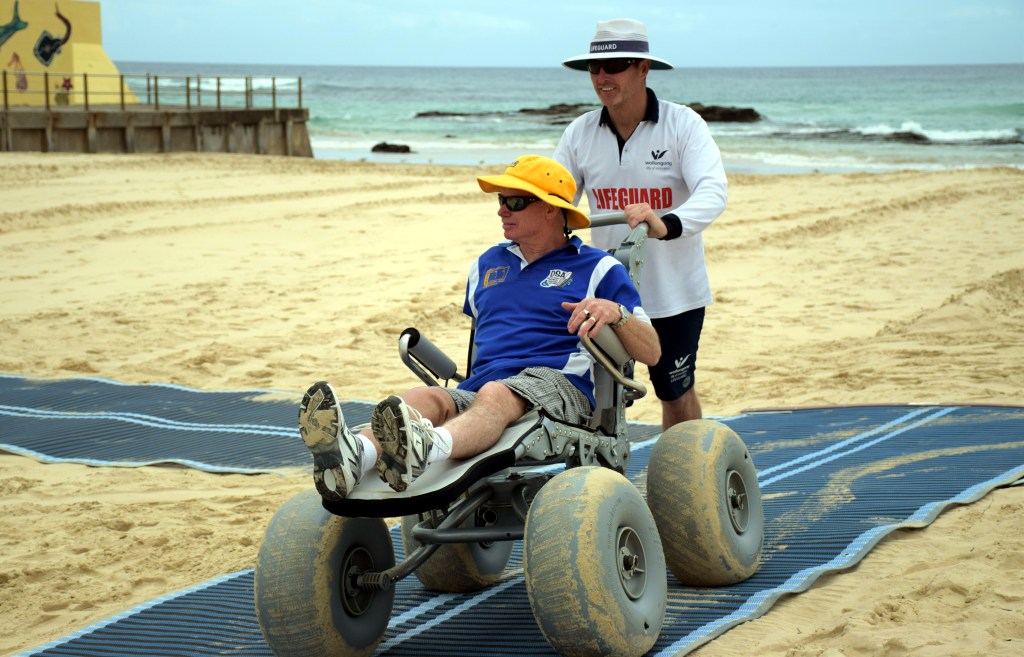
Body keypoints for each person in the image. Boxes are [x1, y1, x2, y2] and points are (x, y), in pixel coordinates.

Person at [298, 155, 661, 501]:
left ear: (551, 208)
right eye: (501, 201)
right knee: (425, 398)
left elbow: (652, 352)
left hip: (557, 384)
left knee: (496, 393)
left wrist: (616, 311)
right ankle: (356, 455)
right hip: (484, 388)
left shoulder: (598, 268)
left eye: (514, 202)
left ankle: (426, 448)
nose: (502, 210)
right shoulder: (486, 265)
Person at [553, 18, 728, 429]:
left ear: (643, 68)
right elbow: (556, 203)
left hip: (675, 295)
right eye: (594, 68)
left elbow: (713, 192)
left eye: (614, 67)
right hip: (606, 294)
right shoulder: (579, 133)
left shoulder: (683, 124)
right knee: (597, 398)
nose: (602, 77)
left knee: (676, 394)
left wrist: (664, 223)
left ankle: (686, 466)